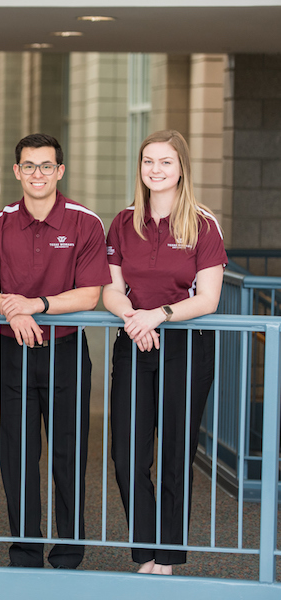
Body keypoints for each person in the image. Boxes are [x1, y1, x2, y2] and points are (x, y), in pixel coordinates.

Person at [0, 133, 110, 569]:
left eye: (46, 166)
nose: (37, 174)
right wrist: (15, 313)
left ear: (60, 171)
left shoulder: (85, 223)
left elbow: (89, 296)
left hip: (65, 351)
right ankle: (26, 549)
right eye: (29, 166)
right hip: (13, 353)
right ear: (17, 172)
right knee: (17, 453)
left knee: (68, 452)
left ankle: (68, 550)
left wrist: (35, 306)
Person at [103, 130, 225, 575]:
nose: (156, 170)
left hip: (185, 347)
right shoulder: (123, 222)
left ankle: (167, 558)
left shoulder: (202, 223)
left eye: (165, 162)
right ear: (140, 168)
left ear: (181, 169)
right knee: (127, 456)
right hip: (135, 341)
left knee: (176, 453)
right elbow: (111, 290)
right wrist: (134, 318)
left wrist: (158, 315)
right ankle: (146, 551)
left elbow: (208, 299)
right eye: (148, 161)